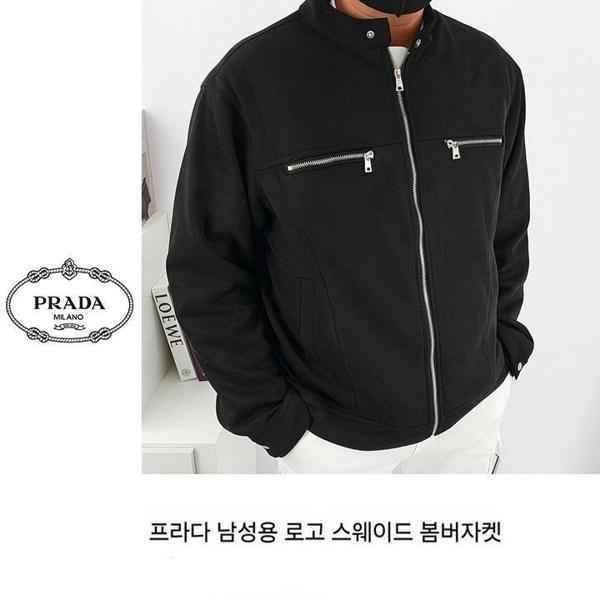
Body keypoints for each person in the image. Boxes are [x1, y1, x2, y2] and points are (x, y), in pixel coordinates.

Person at [167, 0, 534, 473]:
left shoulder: (491, 70)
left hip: (472, 421)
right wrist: (273, 419)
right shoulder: (248, 83)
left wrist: (504, 348)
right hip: (333, 445)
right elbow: (206, 273)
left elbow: (505, 232)